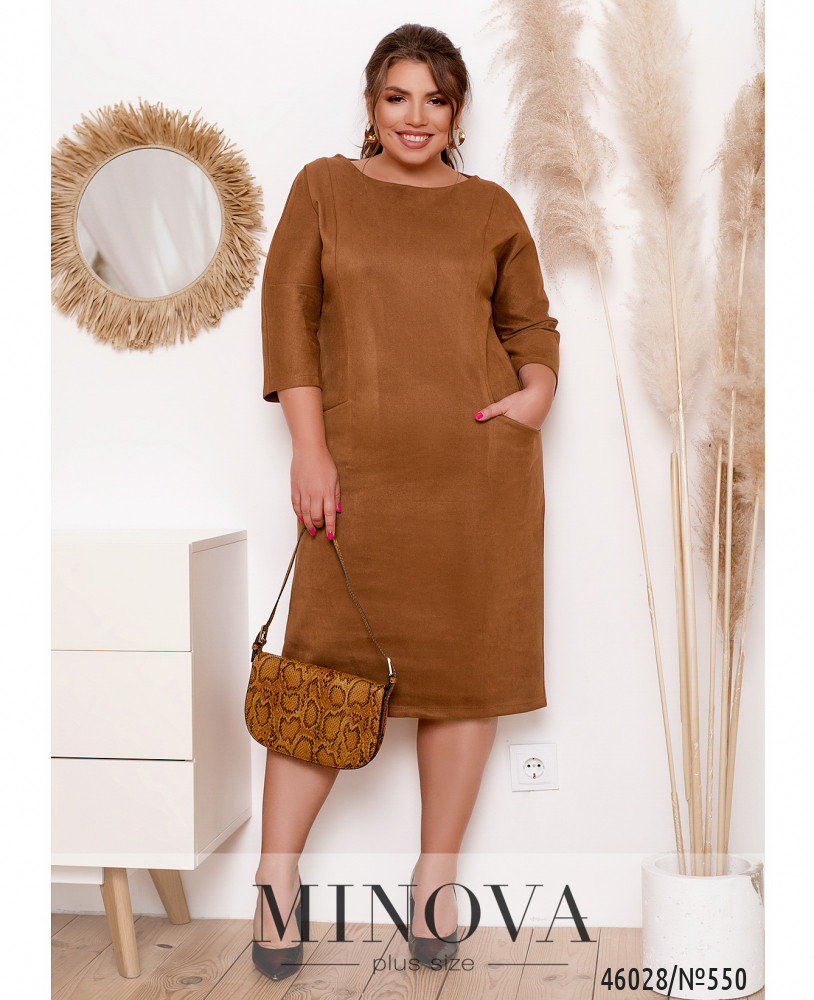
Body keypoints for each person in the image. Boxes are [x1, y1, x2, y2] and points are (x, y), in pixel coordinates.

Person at [253, 22, 560, 980]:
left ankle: (436, 886)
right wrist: (310, 451)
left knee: (467, 675)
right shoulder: (322, 190)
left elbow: (532, 325)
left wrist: (534, 395)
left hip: (475, 482)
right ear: (371, 105)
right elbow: (288, 320)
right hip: (356, 480)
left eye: (435, 99)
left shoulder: (491, 207)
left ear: (457, 113)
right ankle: (275, 886)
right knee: (321, 674)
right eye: (397, 97)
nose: (415, 117)